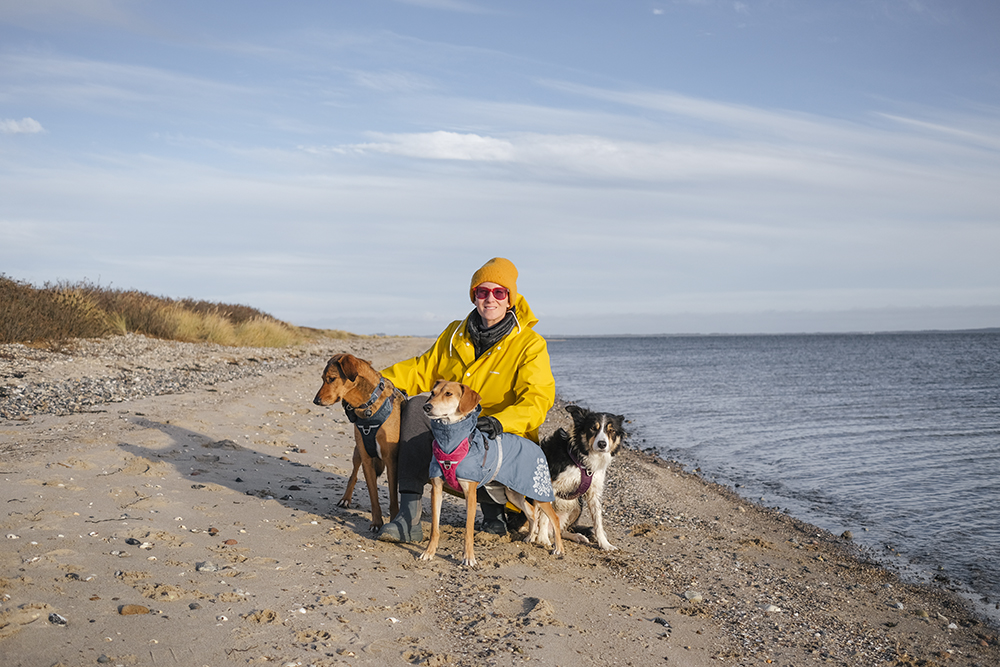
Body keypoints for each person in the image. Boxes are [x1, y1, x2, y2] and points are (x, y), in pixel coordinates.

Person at [377, 257, 556, 542]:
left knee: (481, 437)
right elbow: (422, 369)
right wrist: (375, 381)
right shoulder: (453, 334)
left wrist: (501, 421)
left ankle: (494, 513)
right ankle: (408, 518)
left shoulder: (530, 344)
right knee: (414, 408)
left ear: (510, 298)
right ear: (474, 296)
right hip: (453, 437)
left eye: (499, 292)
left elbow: (538, 398)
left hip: (499, 439)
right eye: (482, 292)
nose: (490, 299)